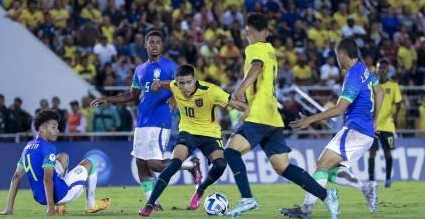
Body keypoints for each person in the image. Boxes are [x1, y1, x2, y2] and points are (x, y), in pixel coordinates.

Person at [223, 13, 339, 218]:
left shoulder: (253, 49)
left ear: (247, 32)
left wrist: (240, 88)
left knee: (231, 152)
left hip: (260, 116)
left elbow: (256, 67)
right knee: (282, 167)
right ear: (266, 32)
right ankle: (326, 195)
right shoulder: (270, 50)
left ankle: (247, 198)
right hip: (273, 117)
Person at [90, 30, 201, 210]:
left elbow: (185, 86)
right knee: (141, 163)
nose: (155, 45)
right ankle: (154, 202)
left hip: (160, 120)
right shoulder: (140, 70)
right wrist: (108, 99)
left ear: (162, 45)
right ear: (145, 45)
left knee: (154, 164)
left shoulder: (171, 67)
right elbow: (133, 94)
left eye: (158, 42)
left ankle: (190, 165)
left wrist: (174, 98)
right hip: (142, 122)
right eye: (151, 42)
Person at [280, 37, 385, 218]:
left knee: (320, 166)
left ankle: (306, 210)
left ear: (343, 55)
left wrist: (309, 120)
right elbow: (380, 91)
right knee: (328, 170)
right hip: (365, 133)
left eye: (337, 55)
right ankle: (364, 186)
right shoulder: (364, 70)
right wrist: (375, 120)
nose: (337, 59)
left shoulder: (353, 75)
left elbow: (339, 109)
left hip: (355, 130)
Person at [138, 64, 249, 217]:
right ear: (177, 82)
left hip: (210, 134)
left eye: (188, 82)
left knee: (221, 164)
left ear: (195, 80)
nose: (184, 87)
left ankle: (200, 189)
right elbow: (166, 84)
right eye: (181, 83)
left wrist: (252, 110)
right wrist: (157, 85)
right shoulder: (174, 85)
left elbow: (236, 104)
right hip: (188, 132)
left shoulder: (212, 91)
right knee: (173, 164)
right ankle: (149, 205)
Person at [0, 110, 110, 216]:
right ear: (42, 128)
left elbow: (16, 177)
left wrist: (8, 208)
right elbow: (47, 178)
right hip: (61, 195)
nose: (57, 130)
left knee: (63, 157)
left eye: (57, 127)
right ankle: (91, 205)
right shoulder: (48, 148)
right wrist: (51, 209)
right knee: (90, 162)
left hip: (40, 198)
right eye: (53, 127)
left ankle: (60, 207)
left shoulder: (27, 147)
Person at [369, 58, 402, 188]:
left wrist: (395, 116)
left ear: (388, 70)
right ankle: (371, 180)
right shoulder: (371, 85)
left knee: (387, 152)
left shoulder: (393, 86)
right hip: (373, 125)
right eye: (379, 67)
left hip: (388, 125)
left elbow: (399, 103)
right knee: (372, 152)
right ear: (376, 69)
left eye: (384, 68)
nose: (382, 70)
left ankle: (388, 179)